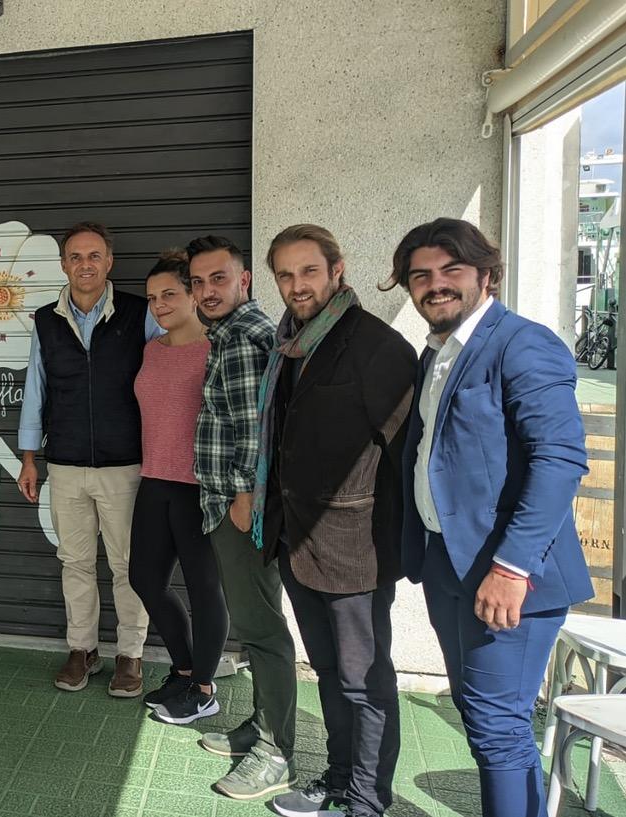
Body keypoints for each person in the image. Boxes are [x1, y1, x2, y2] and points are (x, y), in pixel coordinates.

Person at [389, 218, 591, 817]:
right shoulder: (441, 352)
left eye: (451, 271)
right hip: (450, 566)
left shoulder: (521, 343)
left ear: (486, 274)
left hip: (509, 576)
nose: (435, 285)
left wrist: (510, 566)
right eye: (421, 275)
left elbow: (559, 460)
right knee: (484, 721)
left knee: (497, 730)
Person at [255, 225, 415, 817]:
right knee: (326, 670)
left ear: (337, 270)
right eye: (286, 275)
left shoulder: (375, 347)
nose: (298, 286)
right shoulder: (290, 344)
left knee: (364, 682)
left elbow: (405, 456)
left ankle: (368, 801)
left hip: (356, 549)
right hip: (298, 541)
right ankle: (341, 778)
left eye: (309, 272)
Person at [17, 221, 161, 698]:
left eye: (94, 256)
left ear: (109, 262)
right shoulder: (45, 320)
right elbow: (35, 391)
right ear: (63, 264)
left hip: (126, 464)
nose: (85, 265)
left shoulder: (141, 315)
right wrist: (29, 457)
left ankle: (129, 655)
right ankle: (82, 649)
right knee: (75, 561)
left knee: (127, 566)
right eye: (76, 257)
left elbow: (171, 376)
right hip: (66, 463)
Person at [187, 234, 297, 800]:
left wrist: (238, 498)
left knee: (261, 627)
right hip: (230, 503)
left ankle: (276, 752)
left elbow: (255, 430)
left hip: (239, 508)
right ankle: (260, 724)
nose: (207, 291)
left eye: (218, 279)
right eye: (198, 283)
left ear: (244, 280)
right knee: (258, 619)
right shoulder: (232, 333)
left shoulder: (243, 339)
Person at [129, 250, 228, 725]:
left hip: (198, 486)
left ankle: (205, 690)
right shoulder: (152, 349)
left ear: (193, 294)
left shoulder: (218, 349)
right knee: (144, 579)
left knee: (205, 589)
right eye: (152, 298)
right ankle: (185, 669)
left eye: (169, 293)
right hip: (154, 480)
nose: (159, 304)